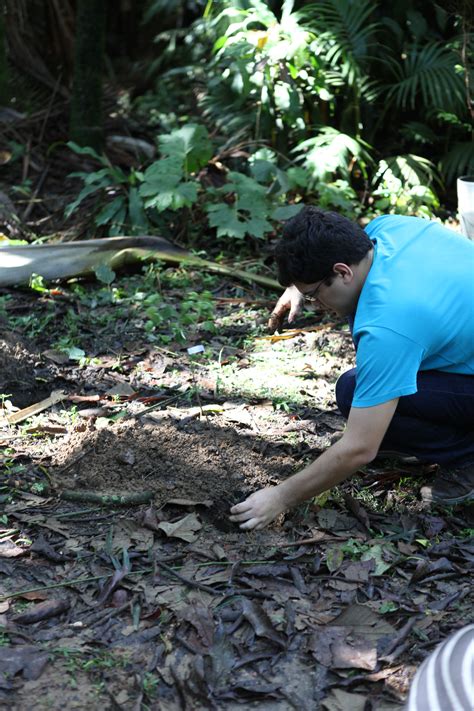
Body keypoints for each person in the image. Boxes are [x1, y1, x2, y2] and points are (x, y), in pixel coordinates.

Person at [229, 207, 474, 530]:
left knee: (357, 394)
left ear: (342, 271)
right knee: (353, 390)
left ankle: (467, 459)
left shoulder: (389, 324)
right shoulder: (387, 230)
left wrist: (281, 497)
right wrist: (301, 287)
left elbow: (360, 448)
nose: (316, 302)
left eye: (315, 294)